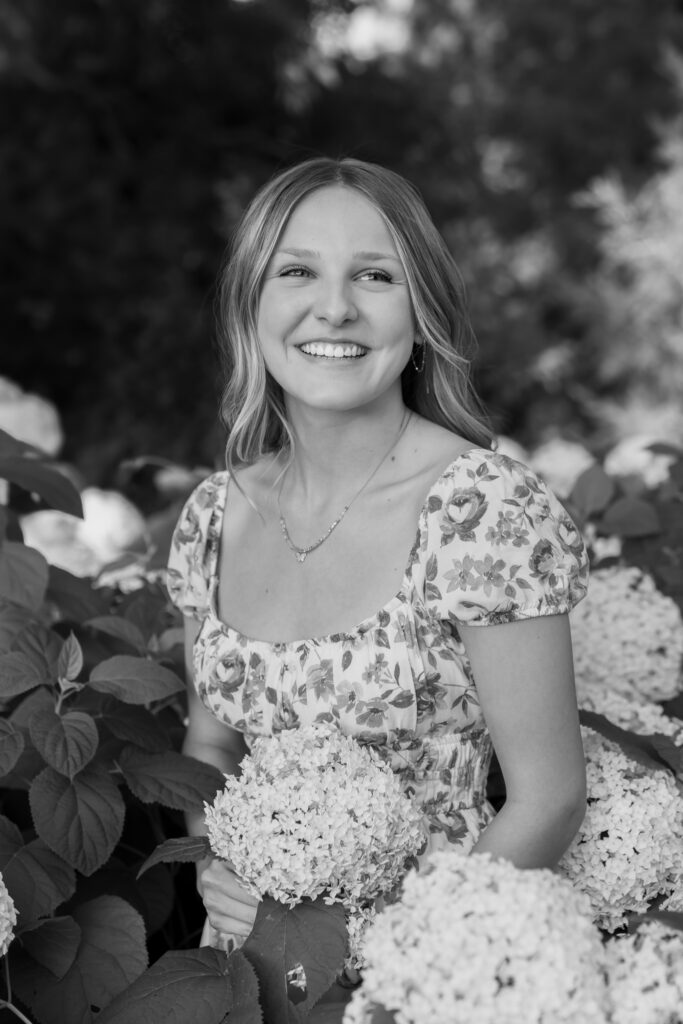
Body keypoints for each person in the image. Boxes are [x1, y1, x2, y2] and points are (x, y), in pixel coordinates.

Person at [166, 156, 589, 952]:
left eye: (374, 276)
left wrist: (358, 952)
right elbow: (211, 747)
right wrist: (217, 874)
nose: (334, 309)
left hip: (435, 965)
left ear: (421, 309)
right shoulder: (212, 517)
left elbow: (549, 801)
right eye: (296, 271)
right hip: (241, 965)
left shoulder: (483, 511)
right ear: (250, 303)